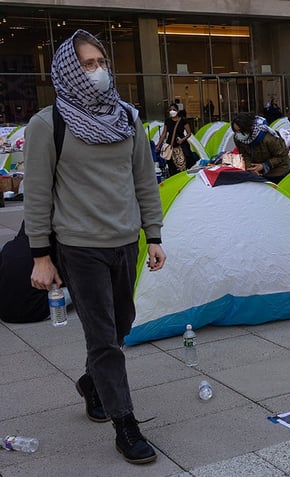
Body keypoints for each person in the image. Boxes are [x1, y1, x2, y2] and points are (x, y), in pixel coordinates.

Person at [24, 29, 165, 465]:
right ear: (69, 70)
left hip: (125, 242)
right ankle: (126, 425)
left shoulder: (127, 117)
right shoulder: (48, 124)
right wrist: (41, 255)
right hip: (78, 246)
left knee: (122, 325)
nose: (97, 70)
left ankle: (92, 383)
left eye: (100, 61)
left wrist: (154, 235)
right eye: (86, 64)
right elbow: (38, 193)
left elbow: (144, 178)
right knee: (103, 337)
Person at [231, 113, 290, 183]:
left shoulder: (269, 138)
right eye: (236, 131)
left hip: (278, 171)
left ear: (248, 128)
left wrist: (264, 166)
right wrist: (250, 168)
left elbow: (282, 155)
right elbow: (245, 155)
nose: (238, 134)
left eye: (240, 131)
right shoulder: (238, 138)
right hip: (259, 172)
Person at [154, 103, 194, 176]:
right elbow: (164, 134)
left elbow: (189, 133)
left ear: (178, 111)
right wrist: (158, 145)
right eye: (170, 110)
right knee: (171, 165)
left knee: (182, 164)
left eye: (174, 110)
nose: (172, 111)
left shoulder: (183, 121)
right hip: (171, 146)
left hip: (181, 145)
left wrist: (182, 139)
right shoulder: (168, 121)